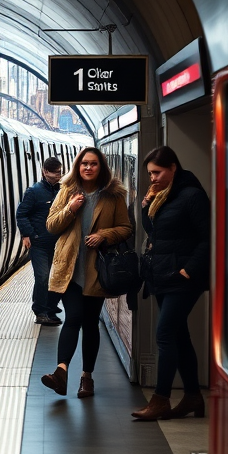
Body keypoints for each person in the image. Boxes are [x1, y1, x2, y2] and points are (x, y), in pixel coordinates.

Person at [41, 148, 132, 398]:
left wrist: (104, 234)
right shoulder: (67, 190)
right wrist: (70, 209)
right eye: (84, 164)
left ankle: (87, 377)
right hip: (69, 268)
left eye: (93, 164)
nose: (88, 168)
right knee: (73, 317)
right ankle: (61, 373)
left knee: (90, 323)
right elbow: (51, 226)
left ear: (101, 167)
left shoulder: (114, 195)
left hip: (96, 270)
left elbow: (126, 228)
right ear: (77, 167)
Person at [132, 145, 210, 421]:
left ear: (173, 168)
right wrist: (146, 207)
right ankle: (193, 397)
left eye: (157, 172)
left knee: (164, 333)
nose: (152, 178)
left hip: (183, 278)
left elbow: (209, 237)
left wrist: (189, 270)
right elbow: (156, 233)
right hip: (163, 275)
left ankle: (161, 400)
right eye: (150, 173)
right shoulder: (162, 196)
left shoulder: (192, 196)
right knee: (179, 335)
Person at [17, 155, 63, 325]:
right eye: (54, 173)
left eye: (59, 172)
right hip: (39, 244)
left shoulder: (62, 191)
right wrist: (28, 234)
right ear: (45, 172)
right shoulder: (34, 192)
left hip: (58, 243)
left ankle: (50, 308)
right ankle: (40, 312)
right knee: (42, 276)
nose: (58, 176)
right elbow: (21, 214)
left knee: (55, 277)